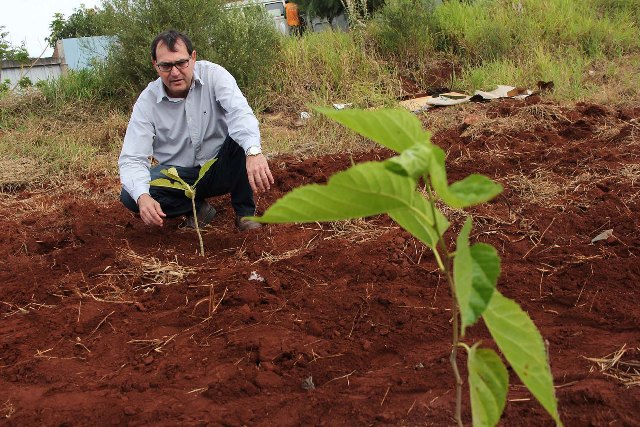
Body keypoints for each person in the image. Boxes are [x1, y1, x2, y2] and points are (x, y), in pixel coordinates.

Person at [118, 30, 274, 231]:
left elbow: (240, 113)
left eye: (181, 63)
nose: (174, 73)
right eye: (165, 65)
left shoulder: (214, 75)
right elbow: (132, 158)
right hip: (181, 179)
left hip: (220, 167)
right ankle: (197, 208)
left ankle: (244, 214)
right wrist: (143, 197)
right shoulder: (147, 102)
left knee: (239, 139)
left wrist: (253, 152)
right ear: (155, 65)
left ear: (193, 57)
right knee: (131, 195)